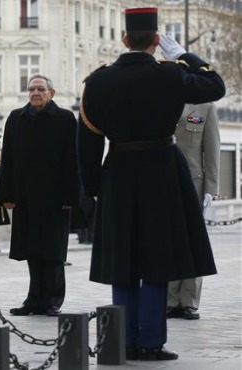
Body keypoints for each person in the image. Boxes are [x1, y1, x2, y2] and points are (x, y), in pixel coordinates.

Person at [77, 7, 223, 361]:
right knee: (158, 258)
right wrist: (183, 55)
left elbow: (88, 144)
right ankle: (152, 341)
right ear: (157, 41)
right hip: (162, 171)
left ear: (124, 39)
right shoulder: (171, 76)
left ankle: (123, 340)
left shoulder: (97, 81)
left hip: (119, 173)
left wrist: (96, 188)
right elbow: (215, 86)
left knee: (123, 260)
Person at [0, 74, 79, 317]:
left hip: (54, 197)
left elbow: (72, 160)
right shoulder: (16, 118)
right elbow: (8, 157)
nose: (35, 93)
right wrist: (7, 193)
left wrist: (70, 196)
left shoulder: (65, 119)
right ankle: (34, 299)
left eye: (41, 89)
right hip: (26, 195)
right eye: (32, 89)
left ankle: (53, 299)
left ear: (51, 93)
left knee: (53, 251)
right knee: (32, 250)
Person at [166, 103, 220, 321]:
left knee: (192, 241)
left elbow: (212, 149)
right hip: (164, 181)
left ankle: (189, 300)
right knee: (168, 241)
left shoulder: (205, 107)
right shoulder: (163, 99)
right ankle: (170, 299)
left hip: (193, 184)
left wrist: (211, 188)